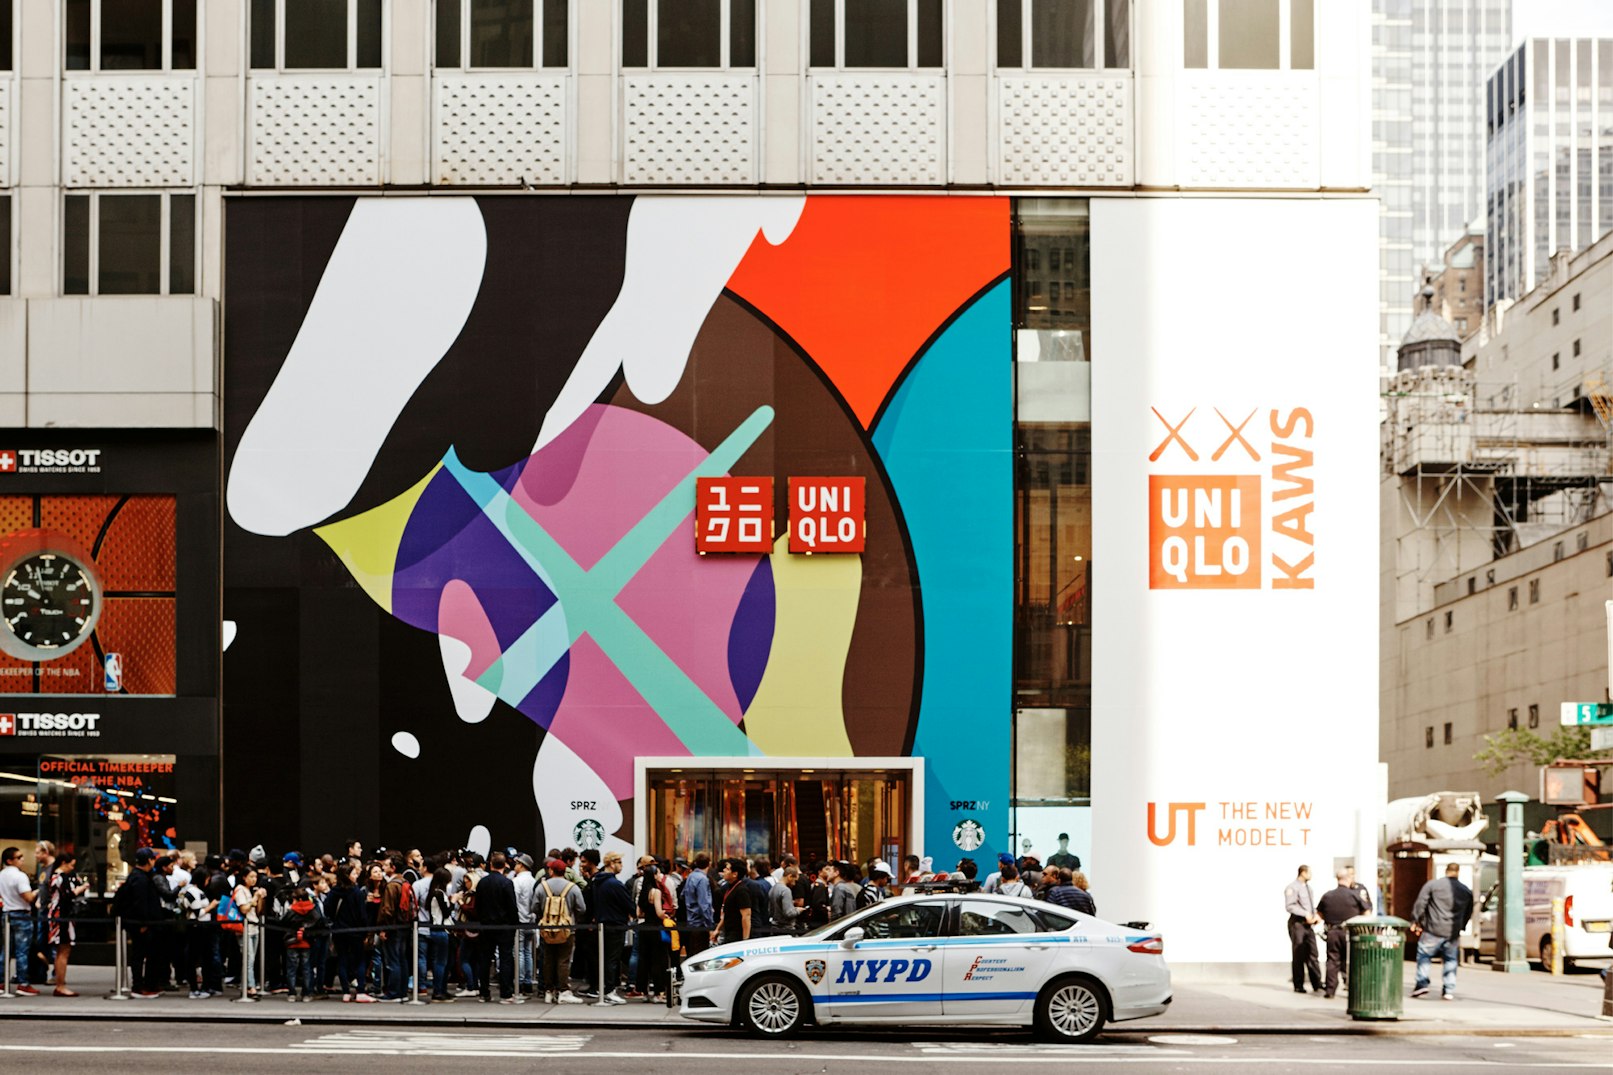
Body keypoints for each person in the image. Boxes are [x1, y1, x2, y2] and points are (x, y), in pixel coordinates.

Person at [1411, 863, 1473, 1001]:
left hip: (1433, 929)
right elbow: (1469, 912)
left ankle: (1422, 983)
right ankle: (1449, 989)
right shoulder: (1465, 891)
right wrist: (1461, 926)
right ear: (1458, 872)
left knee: (1424, 955)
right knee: (1450, 959)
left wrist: (1417, 920)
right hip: (1452, 932)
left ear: (1446, 871)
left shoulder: (1433, 885)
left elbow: (1421, 903)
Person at [536, 858, 585, 1004]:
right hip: (566, 929)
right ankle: (563, 990)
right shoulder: (572, 887)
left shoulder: (541, 887)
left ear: (551, 871)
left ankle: (549, 991)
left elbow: (533, 907)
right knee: (563, 960)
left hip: (547, 928)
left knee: (548, 959)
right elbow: (582, 908)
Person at [474, 851, 519, 1003]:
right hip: (504, 926)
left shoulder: (482, 883)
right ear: (504, 865)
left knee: (485, 959)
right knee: (505, 958)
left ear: (490, 864)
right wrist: (514, 923)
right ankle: (506, 993)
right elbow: (512, 906)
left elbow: (477, 906)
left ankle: (484, 992)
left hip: (486, 925)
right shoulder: (507, 883)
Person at [1316, 868, 1368, 1000]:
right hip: (1350, 933)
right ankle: (1353, 988)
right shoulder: (1354, 895)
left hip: (1332, 932)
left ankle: (1330, 990)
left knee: (1332, 961)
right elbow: (1366, 912)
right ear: (1347, 879)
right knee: (1352, 960)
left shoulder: (1327, 895)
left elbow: (1319, 913)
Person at [591, 852, 633, 1004]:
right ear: (612, 863)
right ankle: (610, 990)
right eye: (619, 862)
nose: (621, 866)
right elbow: (628, 904)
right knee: (612, 959)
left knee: (606, 958)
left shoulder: (597, 881)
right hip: (616, 924)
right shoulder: (615, 884)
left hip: (603, 924)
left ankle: (606, 989)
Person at [45, 851, 88, 996]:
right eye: (71, 864)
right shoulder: (59, 877)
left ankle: (60, 983)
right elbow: (67, 895)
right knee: (63, 950)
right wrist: (81, 889)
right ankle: (60, 985)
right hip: (61, 917)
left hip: (61, 916)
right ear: (64, 863)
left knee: (62, 951)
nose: (72, 867)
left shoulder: (59, 876)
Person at [0, 846, 39, 995]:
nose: (22, 860)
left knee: (6, 950)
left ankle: (1, 982)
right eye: (19, 857)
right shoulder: (20, 876)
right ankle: (23, 983)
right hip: (21, 913)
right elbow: (27, 897)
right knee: (22, 951)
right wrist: (36, 892)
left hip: (7, 914)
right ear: (10, 860)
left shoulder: (1, 875)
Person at [1284, 865, 1324, 995]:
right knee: (1299, 954)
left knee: (1313, 953)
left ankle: (1317, 983)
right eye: (1309, 872)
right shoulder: (1292, 887)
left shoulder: (1308, 888)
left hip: (1308, 925)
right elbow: (1290, 906)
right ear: (1303, 873)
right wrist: (1305, 914)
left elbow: (1310, 906)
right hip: (1298, 924)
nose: (1311, 875)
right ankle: (1298, 984)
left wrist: (1315, 916)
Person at [279, 886, 323, 1002]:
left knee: (291, 969)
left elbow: (283, 922)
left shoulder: (292, 910)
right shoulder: (312, 909)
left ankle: (292, 993)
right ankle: (306, 993)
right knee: (306, 968)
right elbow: (319, 921)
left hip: (292, 942)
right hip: (307, 942)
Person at [423, 866, 454, 1001]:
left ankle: (441, 989)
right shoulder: (439, 893)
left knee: (442, 961)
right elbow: (446, 912)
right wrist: (453, 901)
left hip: (437, 930)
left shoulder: (433, 893)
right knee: (441, 962)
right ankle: (438, 991)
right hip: (441, 930)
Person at [234, 866, 265, 999]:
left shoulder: (251, 890)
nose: (254, 880)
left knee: (251, 959)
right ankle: (250, 987)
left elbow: (258, 911)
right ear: (244, 877)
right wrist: (254, 898)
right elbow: (244, 909)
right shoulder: (240, 890)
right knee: (249, 958)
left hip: (254, 926)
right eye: (251, 877)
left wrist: (260, 898)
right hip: (244, 927)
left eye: (255, 877)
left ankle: (247, 985)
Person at [678, 854, 714, 958]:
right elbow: (704, 904)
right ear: (709, 864)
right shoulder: (703, 879)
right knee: (701, 956)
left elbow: (682, 895)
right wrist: (709, 924)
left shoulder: (691, 876)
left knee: (692, 954)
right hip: (700, 923)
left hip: (691, 920)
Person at [512, 854, 538, 997]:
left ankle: (521, 982)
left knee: (520, 953)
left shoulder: (517, 881)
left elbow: (514, 901)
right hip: (531, 920)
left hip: (520, 920)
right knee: (528, 952)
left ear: (521, 865)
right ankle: (528, 981)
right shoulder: (533, 881)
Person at [715, 858, 755, 945]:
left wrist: (745, 940)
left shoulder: (741, 890)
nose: (724, 870)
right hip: (729, 932)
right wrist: (717, 929)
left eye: (728, 869)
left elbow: (746, 916)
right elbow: (726, 913)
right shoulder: (729, 887)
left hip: (737, 936)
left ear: (735, 874)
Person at [768, 865, 805, 935]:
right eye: (795, 881)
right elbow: (789, 913)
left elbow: (770, 910)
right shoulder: (786, 891)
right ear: (790, 876)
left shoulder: (773, 888)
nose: (794, 884)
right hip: (786, 929)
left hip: (774, 928)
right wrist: (798, 910)